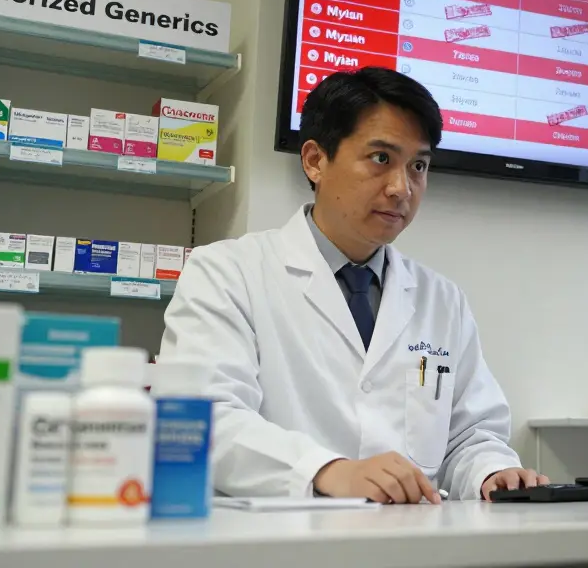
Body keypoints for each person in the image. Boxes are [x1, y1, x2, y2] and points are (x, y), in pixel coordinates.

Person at [157, 67, 547, 503]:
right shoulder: (227, 273)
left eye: (418, 166)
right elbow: (202, 422)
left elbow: (469, 436)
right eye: (381, 158)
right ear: (315, 160)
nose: (402, 188)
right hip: (278, 543)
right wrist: (325, 470)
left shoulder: (442, 300)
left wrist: (492, 472)